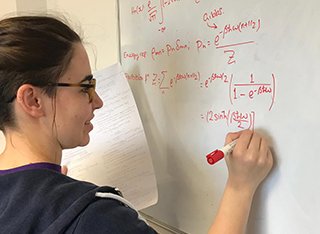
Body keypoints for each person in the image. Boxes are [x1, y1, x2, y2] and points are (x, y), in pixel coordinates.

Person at [0, 15, 273, 234]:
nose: (98, 102)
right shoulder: (92, 216)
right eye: (85, 87)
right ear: (33, 100)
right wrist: (240, 187)